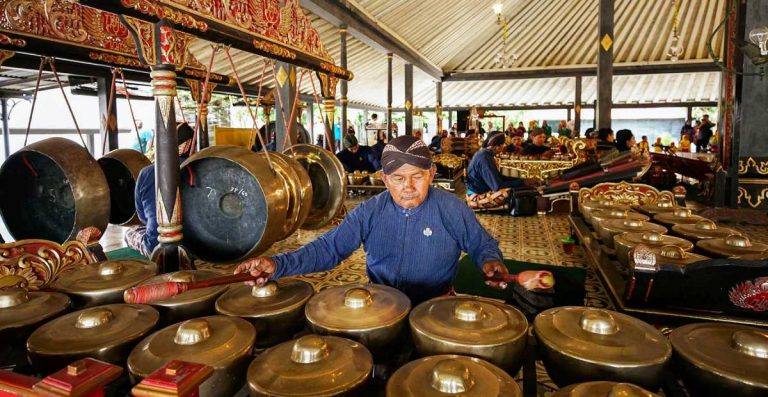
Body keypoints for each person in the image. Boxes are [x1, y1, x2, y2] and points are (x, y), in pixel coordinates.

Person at [234, 136, 512, 304]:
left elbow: (481, 244)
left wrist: (491, 261)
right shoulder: (370, 211)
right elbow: (329, 249)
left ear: (431, 173)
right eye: (398, 179)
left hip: (435, 306)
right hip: (380, 304)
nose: (408, 187)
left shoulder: (451, 208)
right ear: (384, 179)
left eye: (417, 176)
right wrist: (276, 264)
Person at [126, 122, 194, 256]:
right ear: (189, 145)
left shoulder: (146, 172)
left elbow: (142, 217)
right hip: (199, 245)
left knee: (131, 232)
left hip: (157, 246)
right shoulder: (203, 169)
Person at [466, 132, 526, 210]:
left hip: (482, 193)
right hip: (476, 197)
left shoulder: (485, 154)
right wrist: (521, 182)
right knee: (509, 191)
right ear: (496, 147)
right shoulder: (484, 158)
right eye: (503, 145)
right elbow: (496, 186)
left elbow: (499, 177)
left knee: (518, 187)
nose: (504, 147)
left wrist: (520, 180)